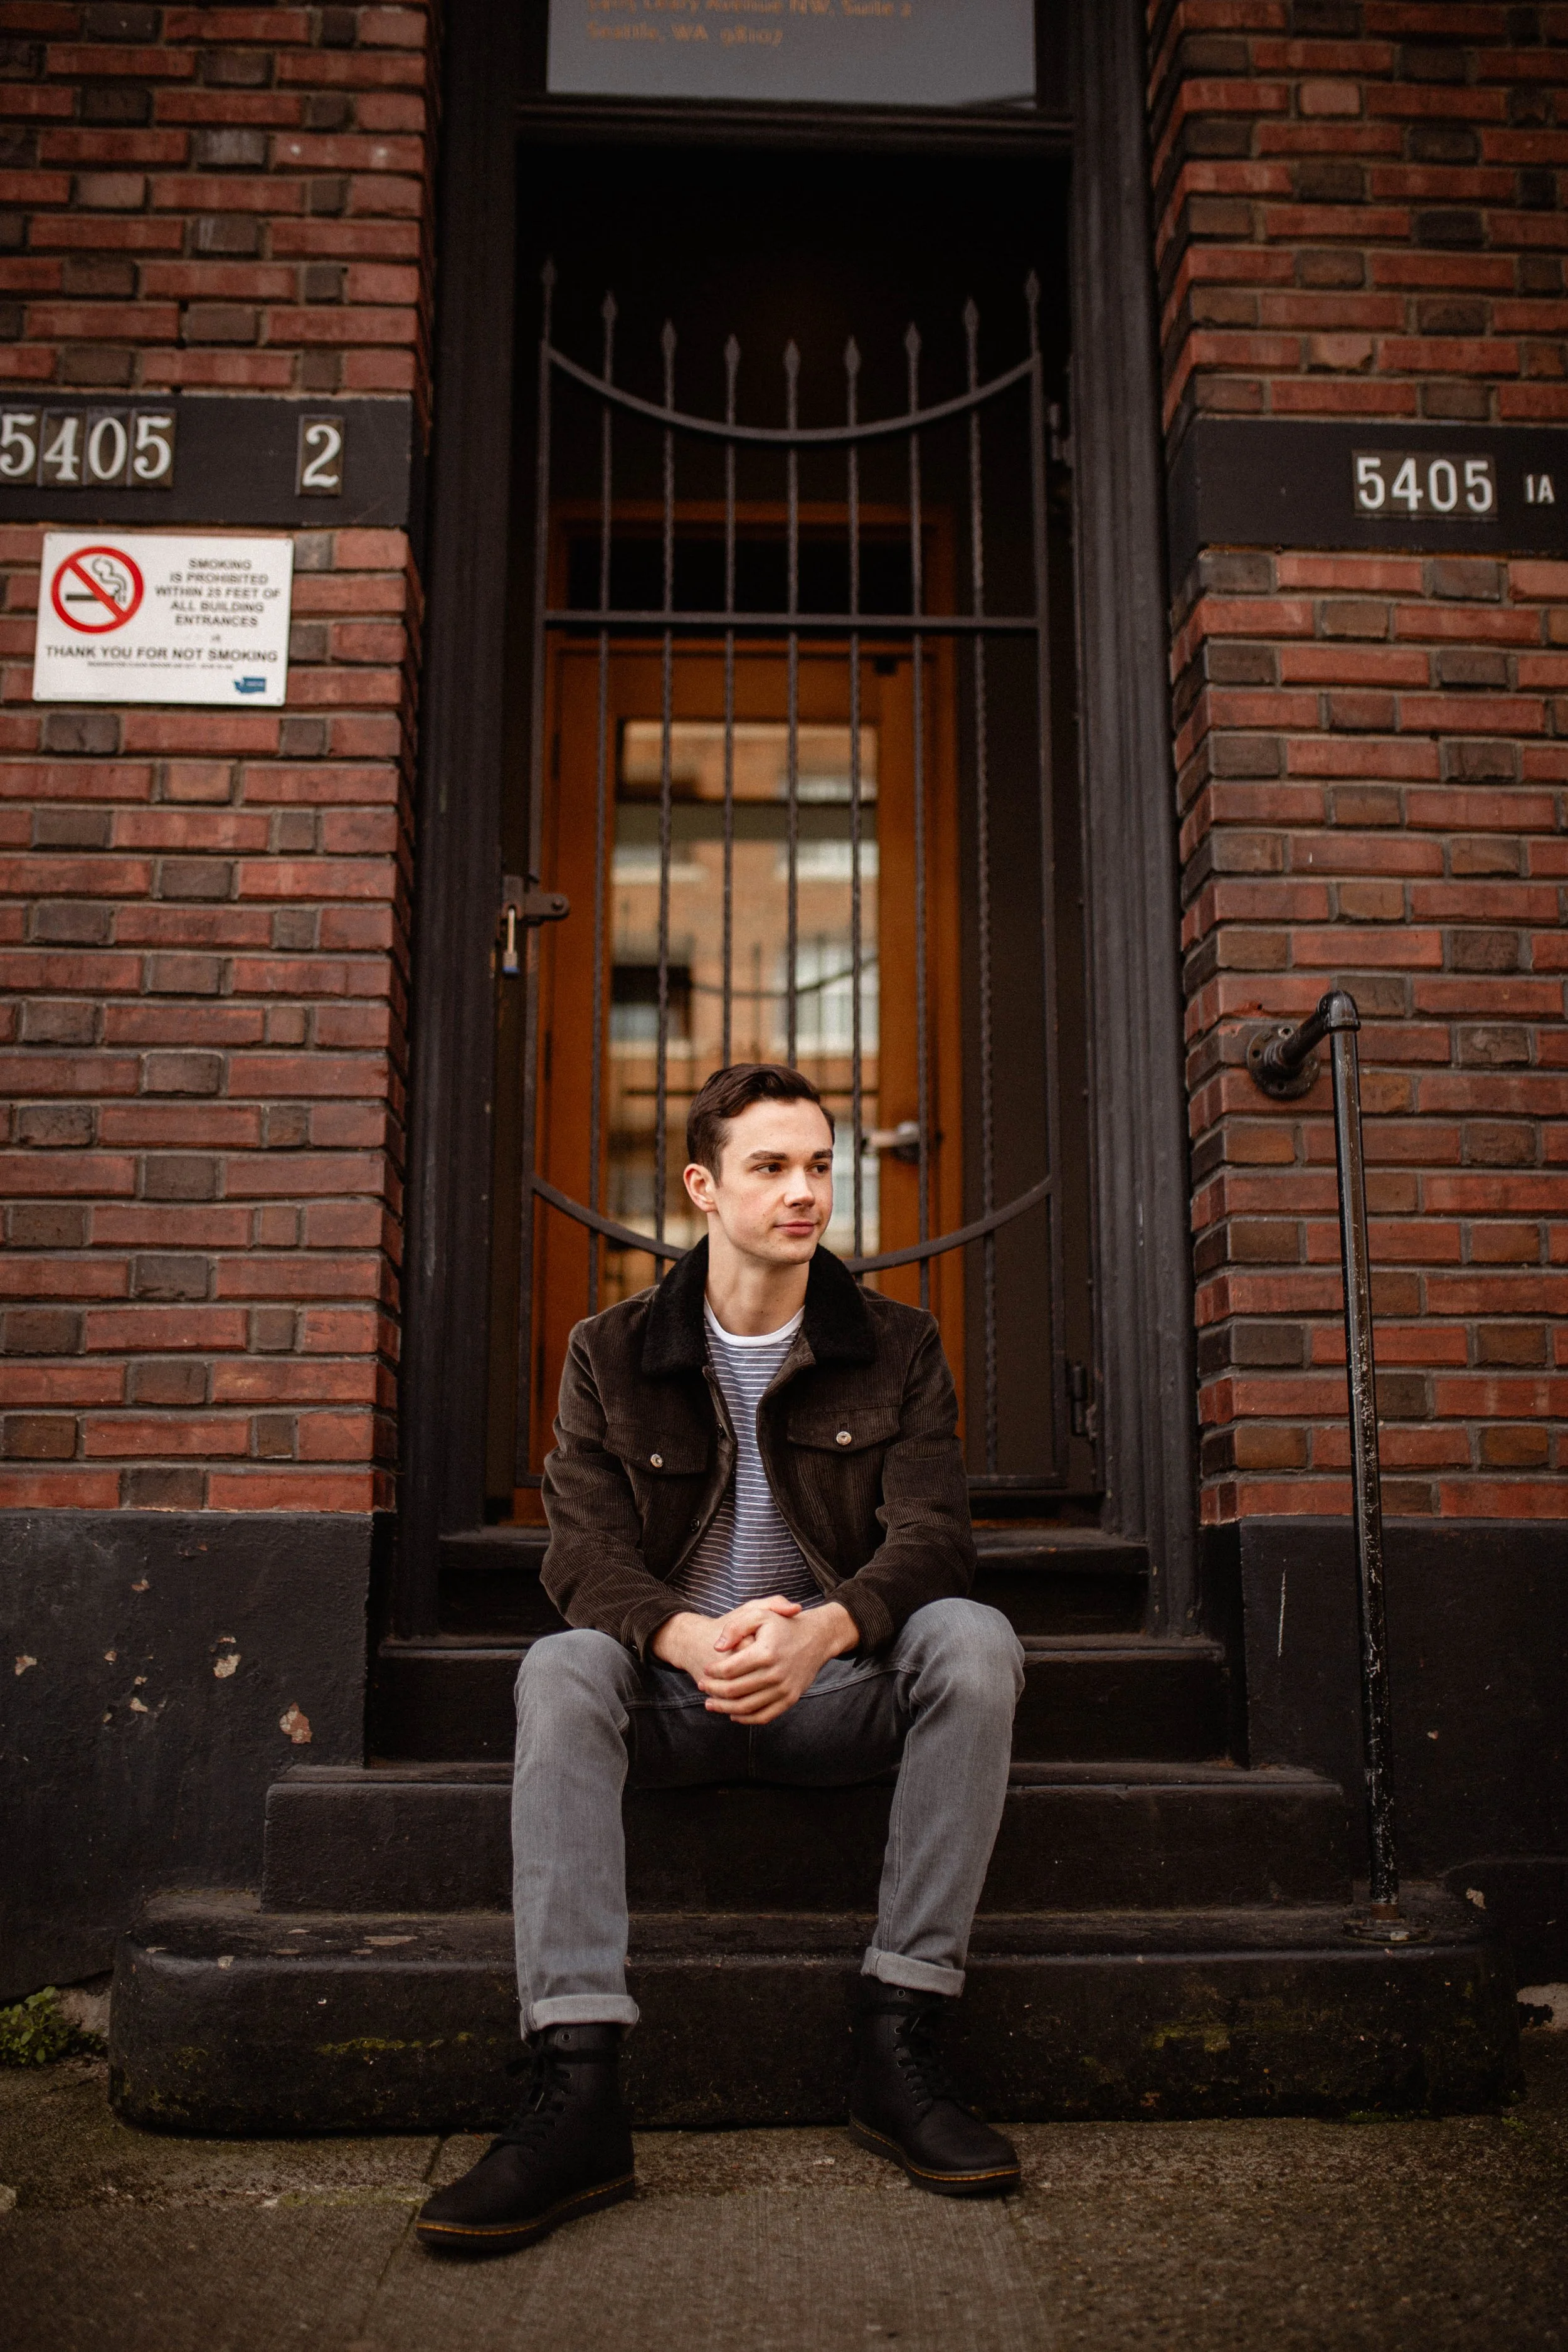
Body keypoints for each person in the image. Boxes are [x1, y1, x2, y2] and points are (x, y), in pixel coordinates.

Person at [417, 1062, 1025, 2255]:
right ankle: (578, 2086)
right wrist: (693, 1637)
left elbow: (936, 1541)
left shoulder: (897, 1346)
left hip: (836, 1689)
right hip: (675, 1696)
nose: (805, 1193)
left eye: (819, 1166)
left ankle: (900, 2042)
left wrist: (824, 1631)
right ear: (702, 1184)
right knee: (561, 1666)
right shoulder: (612, 1349)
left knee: (976, 1642)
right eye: (771, 1167)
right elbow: (584, 1560)